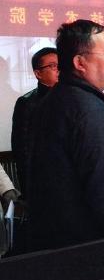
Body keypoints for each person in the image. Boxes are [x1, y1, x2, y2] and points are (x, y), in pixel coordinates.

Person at [28, 19, 104, 250]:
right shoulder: (89, 112)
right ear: (80, 62)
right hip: (98, 246)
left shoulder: (59, 99)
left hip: (68, 244)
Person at [11, 47, 59, 195]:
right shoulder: (26, 102)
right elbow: (21, 148)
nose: (59, 70)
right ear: (38, 73)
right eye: (53, 66)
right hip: (42, 181)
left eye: (61, 65)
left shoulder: (73, 98)